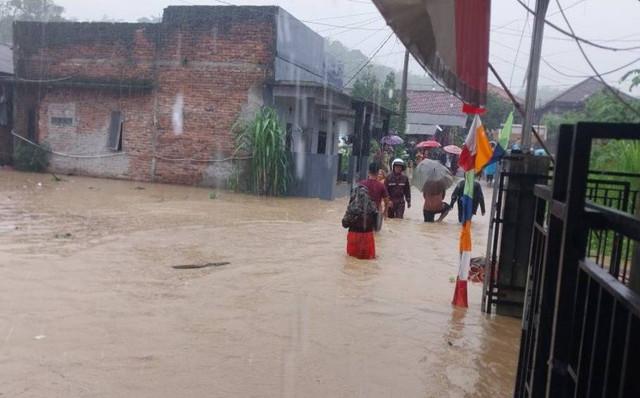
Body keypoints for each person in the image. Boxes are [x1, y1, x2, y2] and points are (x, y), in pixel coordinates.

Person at [342, 186, 378, 259]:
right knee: (369, 260)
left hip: (354, 236)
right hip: (368, 237)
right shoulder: (373, 205)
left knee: (352, 261)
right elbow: (377, 225)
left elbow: (345, 224)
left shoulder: (352, 206)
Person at [359, 162, 392, 230]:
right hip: (376, 213)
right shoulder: (381, 186)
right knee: (376, 234)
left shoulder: (362, 183)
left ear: (368, 172)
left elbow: (356, 199)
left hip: (363, 213)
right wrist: (385, 211)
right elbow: (386, 200)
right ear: (377, 173)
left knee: (364, 232)